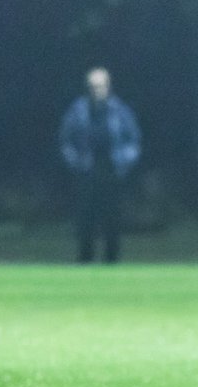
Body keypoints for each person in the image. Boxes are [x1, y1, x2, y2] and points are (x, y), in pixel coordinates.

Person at [58, 67, 141, 263]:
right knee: (85, 219)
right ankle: (84, 259)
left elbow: (134, 140)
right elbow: (65, 140)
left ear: (108, 87)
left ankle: (112, 261)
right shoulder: (77, 110)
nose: (97, 90)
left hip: (112, 171)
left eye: (101, 86)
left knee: (112, 219)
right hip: (86, 170)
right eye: (93, 86)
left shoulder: (120, 111)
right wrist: (74, 162)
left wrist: (125, 161)